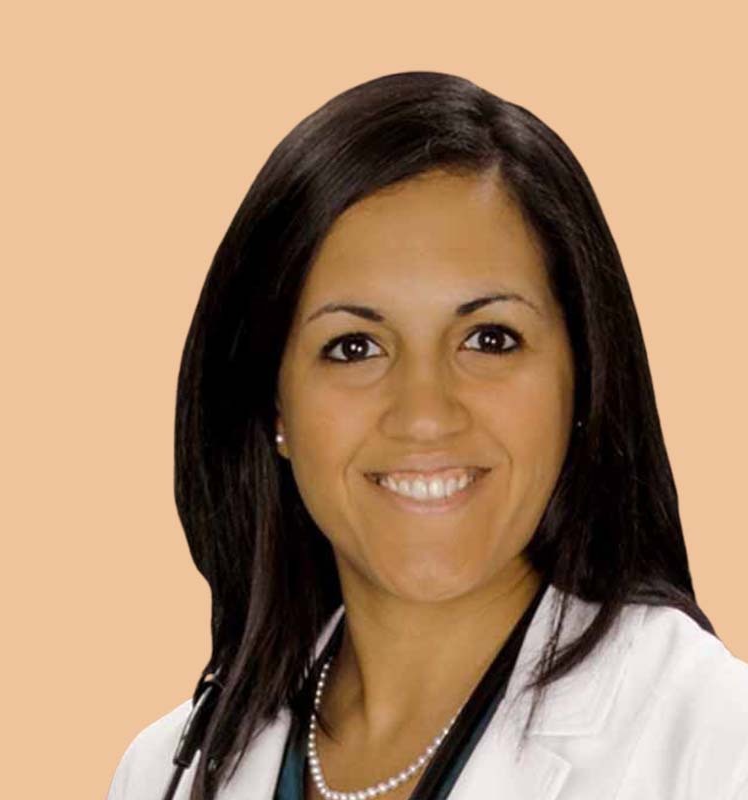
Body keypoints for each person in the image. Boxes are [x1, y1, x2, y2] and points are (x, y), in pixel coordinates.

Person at [106, 71, 748, 800]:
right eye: (354, 347)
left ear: (585, 377)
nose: (424, 414)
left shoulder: (715, 744)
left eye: (490, 339)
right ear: (273, 405)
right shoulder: (164, 774)